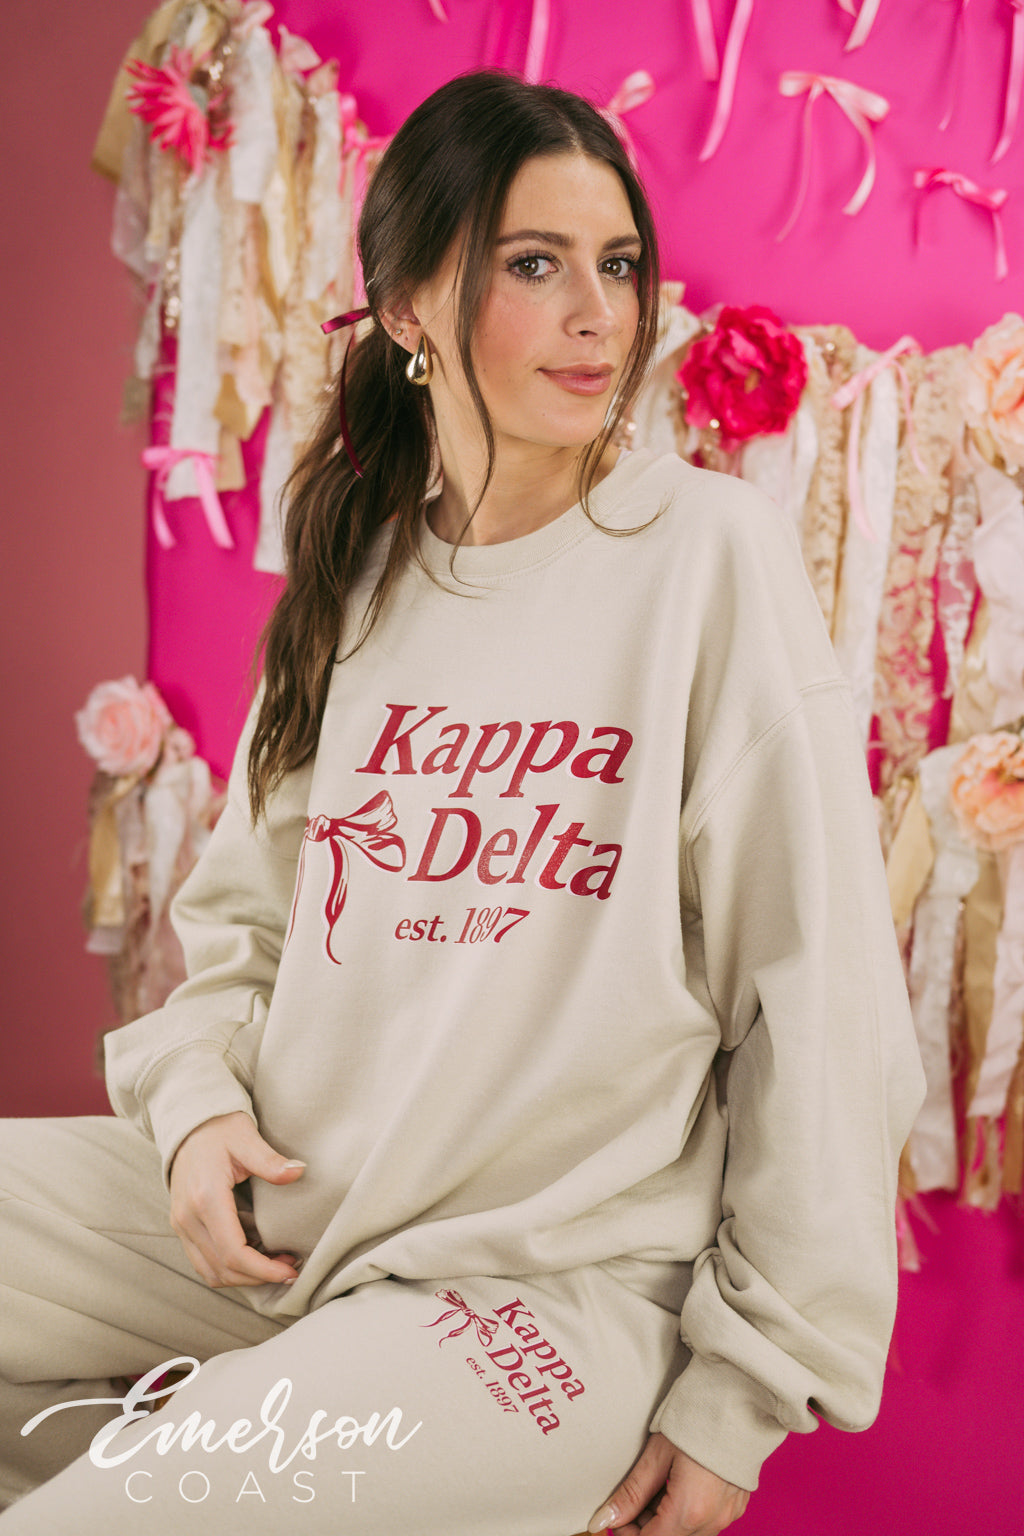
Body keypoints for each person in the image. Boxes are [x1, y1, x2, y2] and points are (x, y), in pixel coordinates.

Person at [0, 70, 924, 1536]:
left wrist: (748, 1389)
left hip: (539, 1292)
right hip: (288, 1211)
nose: (599, 314)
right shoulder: (352, 573)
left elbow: (819, 999)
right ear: (408, 308)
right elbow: (238, 933)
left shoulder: (706, 556)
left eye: (619, 264)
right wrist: (193, 1112)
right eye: (534, 264)